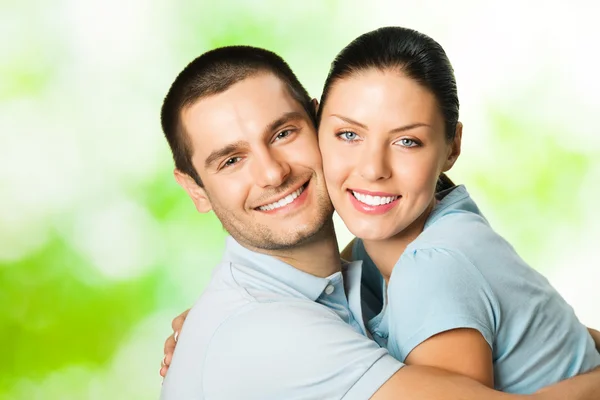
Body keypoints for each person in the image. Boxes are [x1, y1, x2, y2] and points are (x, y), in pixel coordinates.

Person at [158, 43, 600, 399]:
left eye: (283, 133)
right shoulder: (267, 330)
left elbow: (523, 321)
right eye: (231, 160)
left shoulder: (374, 263)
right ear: (195, 188)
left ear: (318, 123)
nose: (273, 173)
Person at [315, 26, 600, 393]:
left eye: (407, 141)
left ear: (452, 147)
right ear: (315, 128)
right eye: (349, 135)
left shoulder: (431, 266)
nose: (373, 168)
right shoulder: (379, 249)